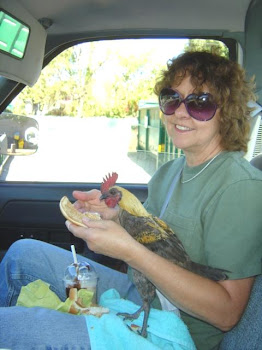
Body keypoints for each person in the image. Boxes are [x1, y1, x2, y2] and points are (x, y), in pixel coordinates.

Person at [1, 51, 262, 350]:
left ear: (227, 112)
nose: (179, 112)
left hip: (174, 331)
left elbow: (226, 313)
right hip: (144, 293)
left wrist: (129, 253)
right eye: (172, 98)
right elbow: (146, 235)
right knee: (21, 256)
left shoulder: (239, 186)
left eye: (200, 103)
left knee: (7, 328)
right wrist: (110, 215)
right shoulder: (170, 172)